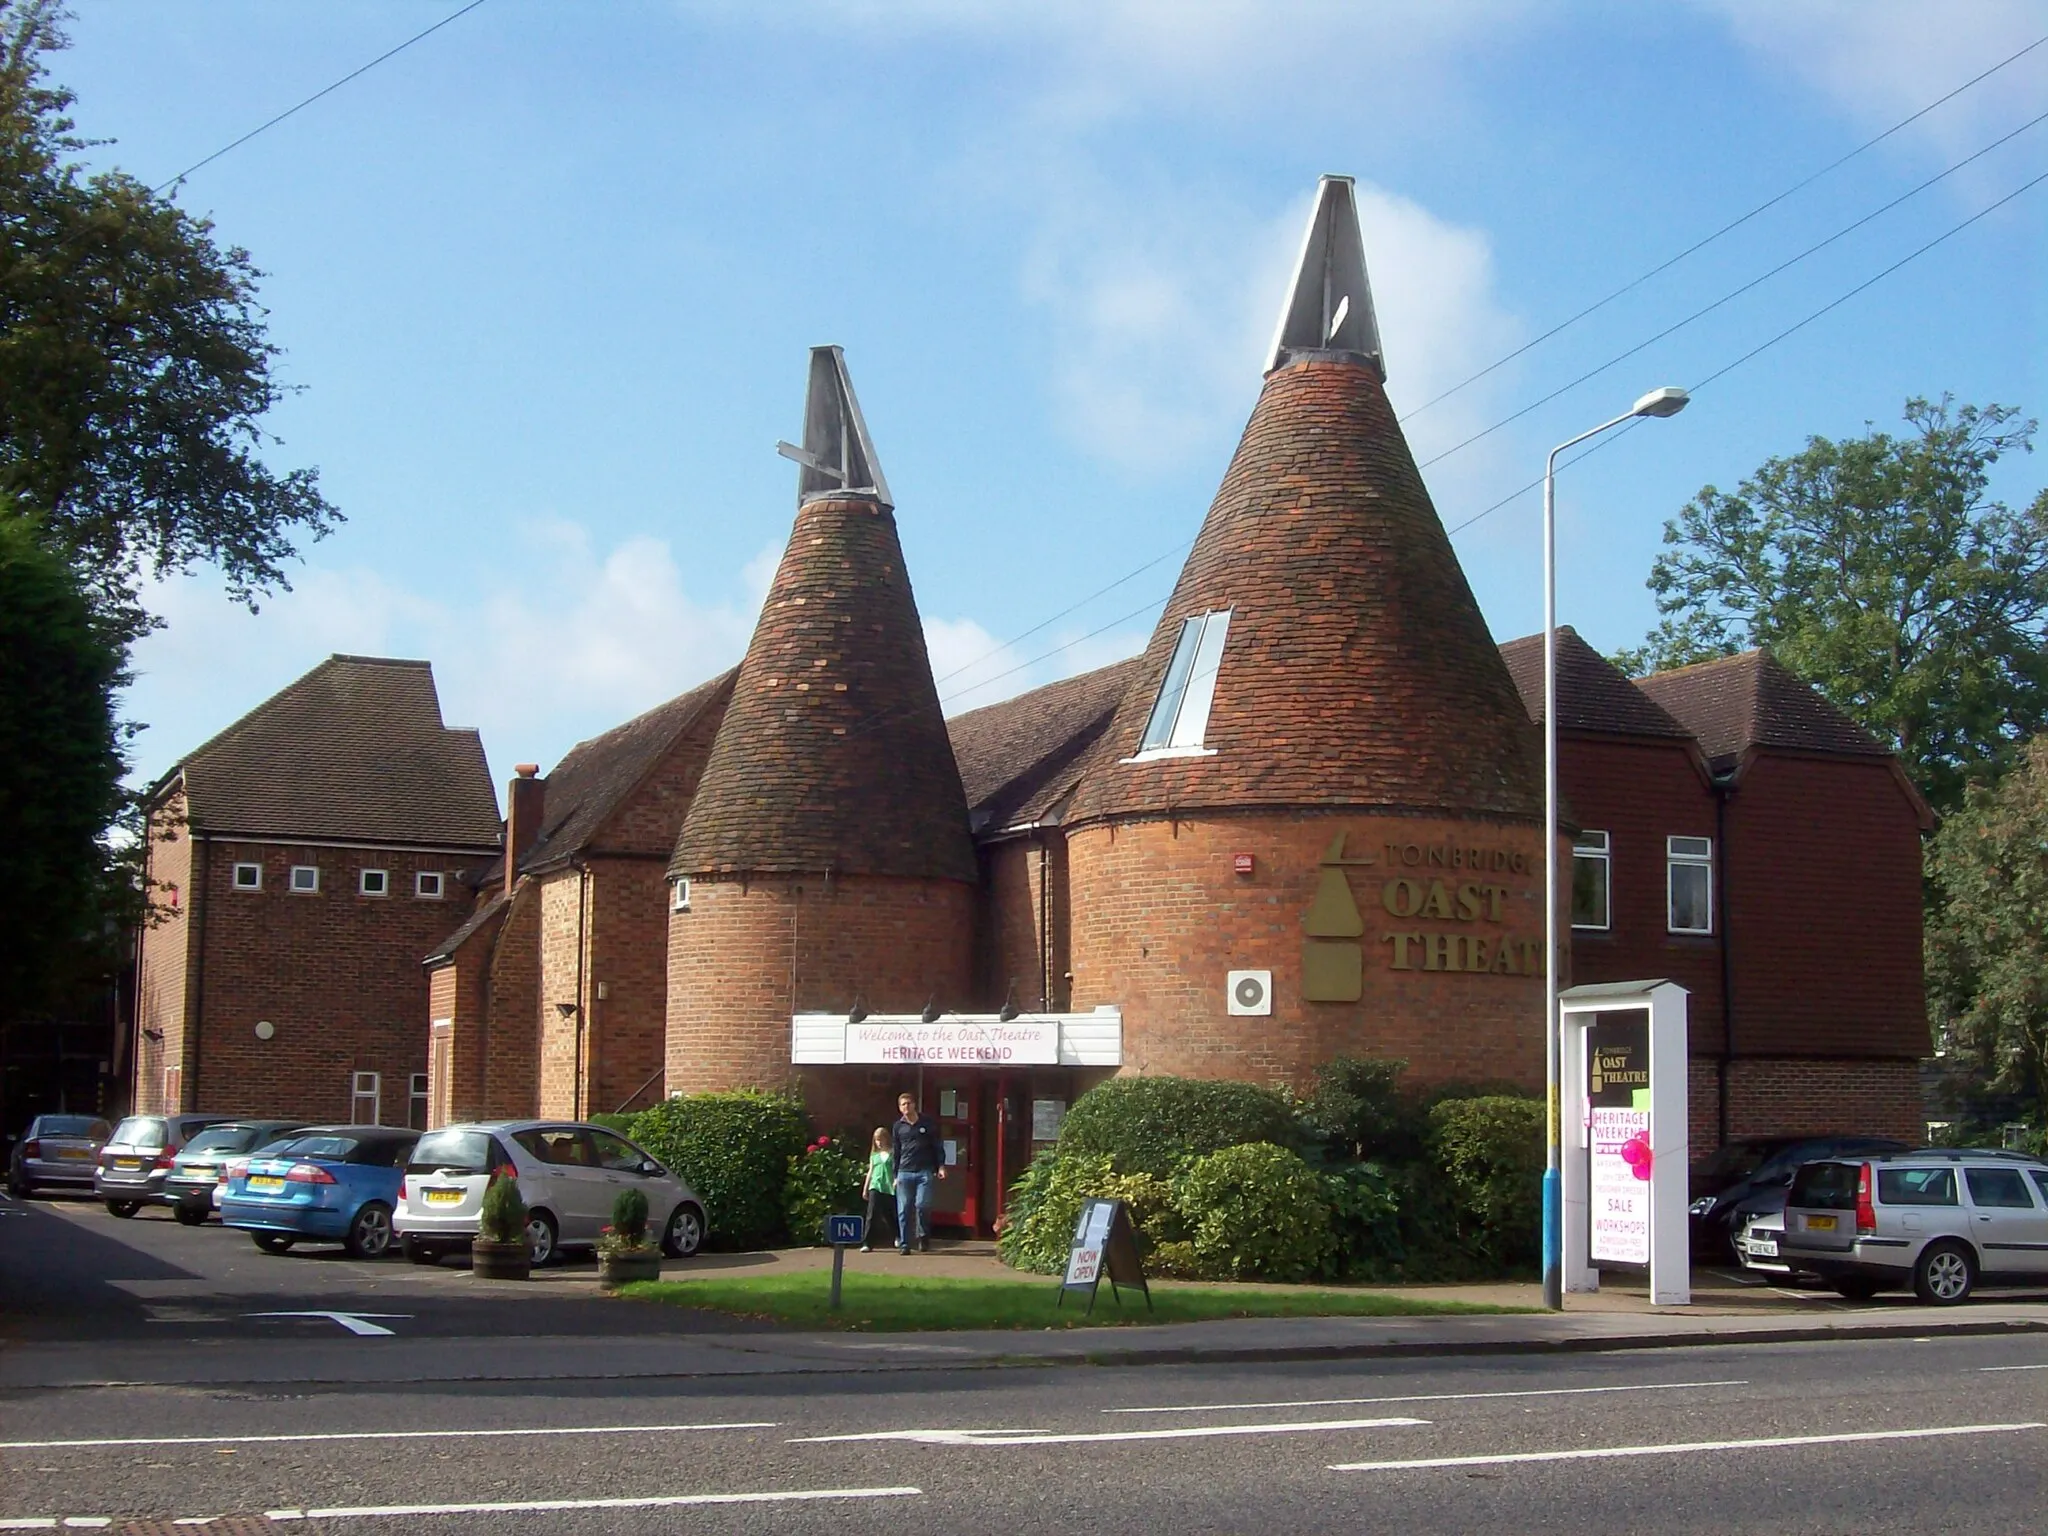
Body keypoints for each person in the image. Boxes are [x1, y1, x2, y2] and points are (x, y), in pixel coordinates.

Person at [891, 1092, 946, 1254]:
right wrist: (895, 1176)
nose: (906, 1107)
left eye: (908, 1103)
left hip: (924, 1171)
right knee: (904, 1209)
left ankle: (923, 1236)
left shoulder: (927, 1123)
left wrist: (941, 1166)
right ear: (899, 1108)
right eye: (903, 1105)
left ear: (914, 1104)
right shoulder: (898, 1126)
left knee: (922, 1205)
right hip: (904, 1172)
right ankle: (905, 1244)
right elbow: (896, 1152)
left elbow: (937, 1145)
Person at [859, 1127, 895, 1253]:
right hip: (876, 1185)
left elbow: (896, 1169)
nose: (879, 1142)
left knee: (890, 1214)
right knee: (872, 1214)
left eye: (881, 1139)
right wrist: (866, 1188)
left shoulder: (893, 1153)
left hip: (889, 1186)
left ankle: (897, 1236)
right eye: (876, 1140)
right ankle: (867, 1242)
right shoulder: (874, 1155)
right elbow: (870, 1171)